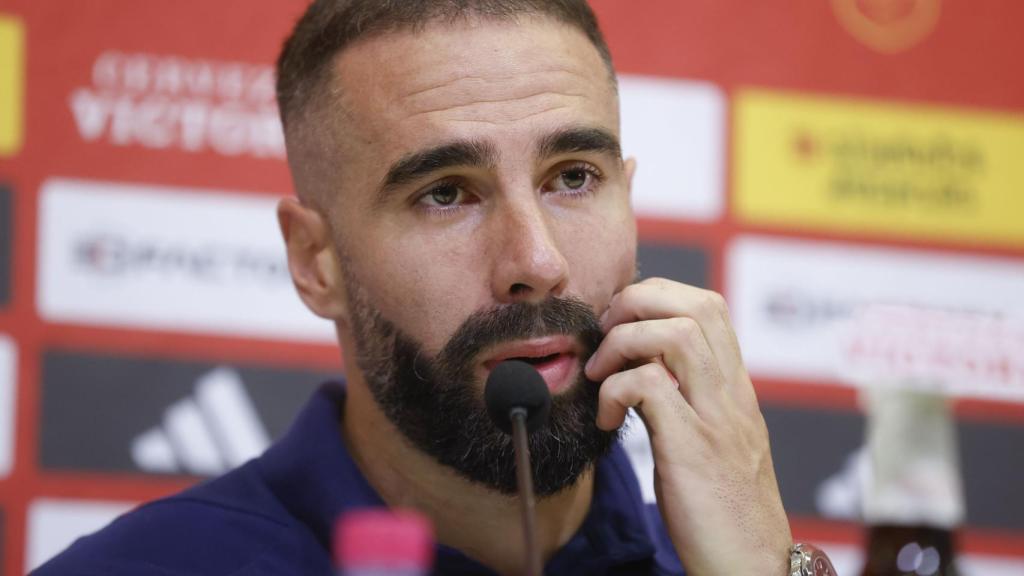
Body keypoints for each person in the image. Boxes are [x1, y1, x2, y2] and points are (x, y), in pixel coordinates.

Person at [36, 1, 837, 574]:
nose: (537, 260)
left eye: (573, 177)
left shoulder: (728, 560)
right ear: (317, 262)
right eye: (445, 193)